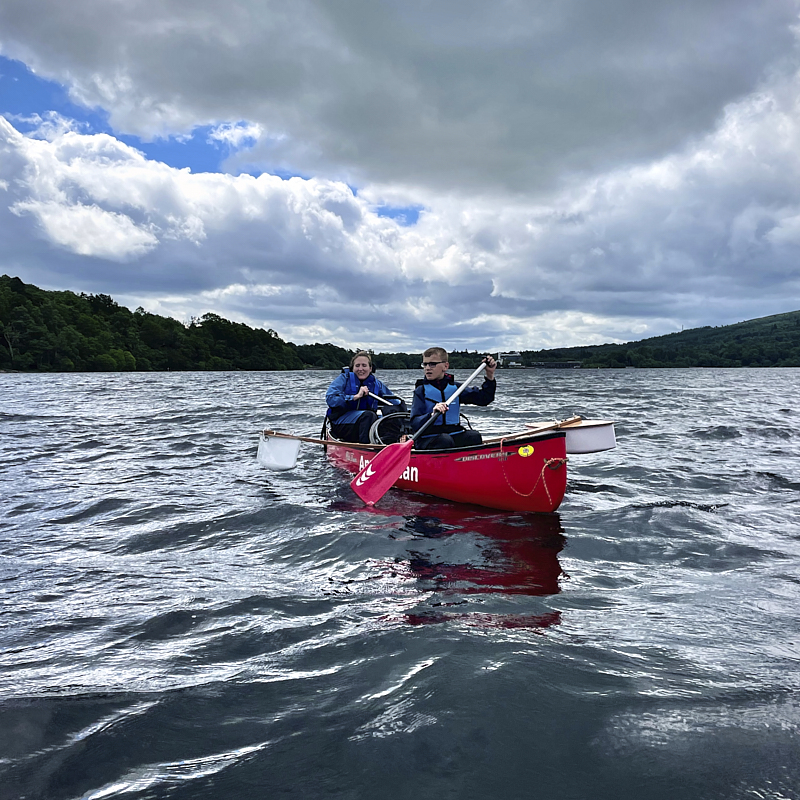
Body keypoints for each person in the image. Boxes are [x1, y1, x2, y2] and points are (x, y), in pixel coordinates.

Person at [410, 348, 497, 450]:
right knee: (444, 440)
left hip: (454, 433)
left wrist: (490, 375)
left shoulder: (456, 389)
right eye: (425, 364)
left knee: (474, 436)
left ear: (445, 366)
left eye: (432, 364)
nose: (427, 368)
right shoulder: (421, 391)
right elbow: (414, 423)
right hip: (429, 438)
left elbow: (484, 399)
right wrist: (432, 414)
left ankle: (470, 464)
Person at [325, 351, 407, 443]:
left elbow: (393, 400)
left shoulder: (376, 384)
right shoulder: (343, 379)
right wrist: (355, 397)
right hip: (342, 423)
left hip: (365, 422)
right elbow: (331, 399)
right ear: (352, 368)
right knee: (368, 416)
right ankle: (367, 448)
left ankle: (391, 445)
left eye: (364, 365)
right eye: (357, 366)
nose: (361, 369)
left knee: (390, 414)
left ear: (370, 368)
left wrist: (401, 408)